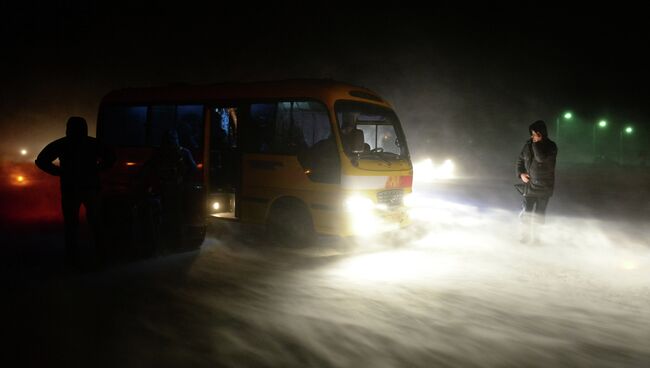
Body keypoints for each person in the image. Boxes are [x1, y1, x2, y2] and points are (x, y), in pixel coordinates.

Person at [35, 116, 115, 267]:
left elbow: (41, 160)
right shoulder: (93, 144)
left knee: (71, 225)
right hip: (91, 187)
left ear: (68, 128)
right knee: (96, 222)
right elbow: (111, 157)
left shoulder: (62, 144)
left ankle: (73, 259)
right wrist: (98, 169)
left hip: (70, 188)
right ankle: (102, 257)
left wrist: (59, 172)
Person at [138, 129, 197, 253]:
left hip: (167, 189)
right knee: (175, 218)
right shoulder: (183, 152)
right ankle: (175, 244)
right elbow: (193, 169)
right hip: (173, 189)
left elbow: (146, 169)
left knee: (167, 218)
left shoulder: (160, 152)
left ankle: (166, 245)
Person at [516, 120, 558, 244]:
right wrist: (521, 174)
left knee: (539, 215)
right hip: (529, 186)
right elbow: (520, 160)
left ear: (541, 133)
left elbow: (540, 158)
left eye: (534, 133)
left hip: (545, 187)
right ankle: (525, 237)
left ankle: (536, 239)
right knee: (526, 213)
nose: (532, 136)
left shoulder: (551, 146)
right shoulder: (528, 145)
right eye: (532, 134)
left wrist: (536, 144)